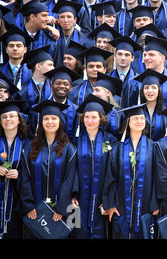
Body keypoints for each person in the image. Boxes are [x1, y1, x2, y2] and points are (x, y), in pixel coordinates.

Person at [20, 100, 77, 239]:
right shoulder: (30, 148)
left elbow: (70, 179)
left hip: (60, 212)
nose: (50, 122)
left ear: (60, 122)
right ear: (41, 122)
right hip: (34, 211)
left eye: (54, 118)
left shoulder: (70, 149)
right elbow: (25, 177)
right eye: (46, 118)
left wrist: (62, 207)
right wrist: (29, 205)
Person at [106, 103, 160, 239]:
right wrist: (111, 204)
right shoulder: (117, 148)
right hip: (121, 205)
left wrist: (154, 203)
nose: (139, 121)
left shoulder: (153, 147)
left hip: (146, 204)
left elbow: (157, 177)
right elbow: (110, 177)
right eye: (135, 118)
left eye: (142, 118)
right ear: (128, 122)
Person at [71, 94, 117, 239]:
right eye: (86, 117)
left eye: (94, 117)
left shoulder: (110, 140)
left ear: (101, 119)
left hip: (102, 195)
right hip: (81, 195)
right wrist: (73, 194)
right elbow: (71, 170)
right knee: (80, 231)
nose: (90, 120)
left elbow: (114, 172)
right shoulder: (75, 141)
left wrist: (109, 197)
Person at [0, 100, 30, 239]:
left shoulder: (29, 145)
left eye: (12, 116)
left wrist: (20, 173)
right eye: (4, 117)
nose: (8, 120)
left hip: (17, 200)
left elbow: (35, 173)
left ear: (19, 120)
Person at [13, 46, 54, 114]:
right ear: (38, 66)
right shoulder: (22, 92)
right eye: (50, 65)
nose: (53, 68)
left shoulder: (53, 89)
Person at [133, 68, 167, 142]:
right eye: (146, 88)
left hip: (159, 149)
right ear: (142, 91)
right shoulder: (136, 111)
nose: (150, 91)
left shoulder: (166, 113)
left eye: (154, 87)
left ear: (158, 90)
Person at [0, 26, 33, 91]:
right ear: (6, 50)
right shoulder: (0, 71)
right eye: (11, 46)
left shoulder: (31, 73)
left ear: (25, 49)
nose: (15, 49)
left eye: (19, 46)